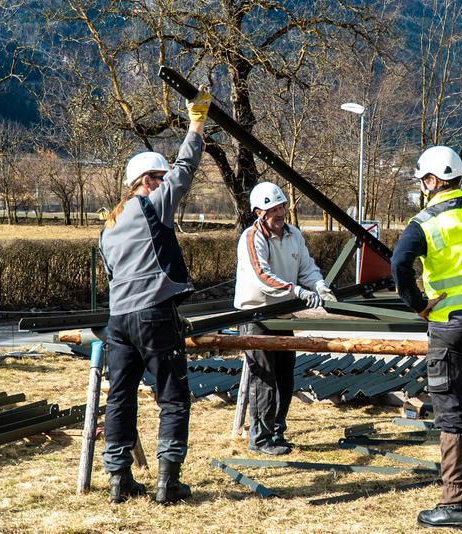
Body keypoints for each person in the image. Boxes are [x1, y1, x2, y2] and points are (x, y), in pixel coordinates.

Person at [391, 82, 462, 529]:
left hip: (447, 325)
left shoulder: (423, 223)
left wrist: (419, 305)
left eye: (423, 179)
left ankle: (455, 503)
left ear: (432, 181)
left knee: (452, 414)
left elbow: (400, 266)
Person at [98, 88, 211, 504]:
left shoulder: (107, 227)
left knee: (121, 398)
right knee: (173, 396)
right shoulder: (151, 204)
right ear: (145, 182)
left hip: (118, 321)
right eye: (157, 179)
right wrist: (196, 123)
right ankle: (168, 481)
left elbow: (112, 276)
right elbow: (185, 168)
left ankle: (118, 479)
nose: (164, 184)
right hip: (153, 315)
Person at [234, 182, 336, 456]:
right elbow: (262, 277)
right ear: (259, 212)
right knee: (263, 378)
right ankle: (260, 438)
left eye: (281, 207)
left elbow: (306, 268)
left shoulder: (294, 235)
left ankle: (277, 432)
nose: (279, 213)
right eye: (272, 209)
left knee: (284, 377)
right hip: (256, 314)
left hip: (282, 315)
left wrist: (318, 285)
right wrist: (296, 291)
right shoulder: (252, 237)